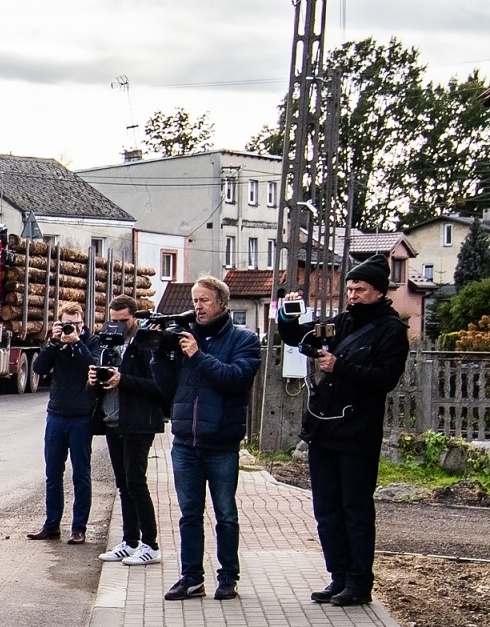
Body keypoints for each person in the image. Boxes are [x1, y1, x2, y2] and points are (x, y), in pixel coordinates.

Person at [276, 255, 410, 607]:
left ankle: (359, 582)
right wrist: (287, 315)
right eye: (349, 289)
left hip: (358, 433)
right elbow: (298, 337)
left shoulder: (391, 331)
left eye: (359, 289)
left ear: (378, 291)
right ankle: (338, 576)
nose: (352, 295)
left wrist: (341, 366)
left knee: (355, 510)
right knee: (327, 510)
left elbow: (385, 379)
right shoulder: (342, 322)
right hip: (324, 428)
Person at [166, 275, 262, 601]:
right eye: (195, 300)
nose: (198, 306)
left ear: (222, 302)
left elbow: (236, 378)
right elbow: (167, 388)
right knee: (189, 515)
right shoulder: (185, 338)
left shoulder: (244, 339)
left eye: (204, 300)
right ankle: (191, 578)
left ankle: (228, 577)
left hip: (221, 443)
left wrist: (198, 355)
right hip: (185, 442)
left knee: (226, 515)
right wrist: (159, 354)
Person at [90, 295, 177, 569]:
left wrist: (123, 379)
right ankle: (129, 541)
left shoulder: (146, 343)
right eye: (113, 320)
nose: (118, 325)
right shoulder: (108, 343)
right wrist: (94, 379)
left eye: (123, 320)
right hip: (113, 420)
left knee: (136, 482)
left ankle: (150, 545)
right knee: (123, 484)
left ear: (134, 317)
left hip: (138, 423)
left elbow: (160, 387)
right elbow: (102, 383)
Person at [28, 301, 101, 544]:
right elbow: (39, 368)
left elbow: (92, 367)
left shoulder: (91, 341)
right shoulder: (56, 343)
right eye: (67, 324)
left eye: (76, 324)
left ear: (82, 323)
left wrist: (77, 343)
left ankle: (79, 528)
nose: (72, 328)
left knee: (81, 474)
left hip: (81, 416)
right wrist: (52, 342)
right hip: (56, 415)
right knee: (52, 473)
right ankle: (51, 525)